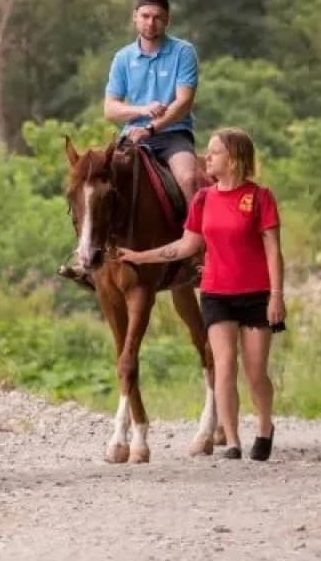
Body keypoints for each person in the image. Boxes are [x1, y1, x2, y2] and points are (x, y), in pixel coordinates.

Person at [117, 128, 284, 460]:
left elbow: (273, 252)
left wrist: (277, 295)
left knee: (255, 372)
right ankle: (234, 441)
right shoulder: (204, 199)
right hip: (216, 294)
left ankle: (264, 427)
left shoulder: (260, 198)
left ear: (234, 159)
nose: (207, 158)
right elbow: (187, 245)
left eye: (215, 152)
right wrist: (140, 256)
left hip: (255, 295)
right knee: (223, 366)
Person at [61, 0, 202, 289]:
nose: (151, 23)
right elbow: (110, 108)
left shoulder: (183, 52)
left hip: (173, 135)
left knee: (189, 178)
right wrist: (140, 111)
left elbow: (183, 103)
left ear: (168, 21)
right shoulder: (123, 58)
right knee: (94, 187)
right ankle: (90, 258)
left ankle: (197, 252)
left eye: (158, 18)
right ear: (135, 18)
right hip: (132, 139)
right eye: (146, 16)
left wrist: (153, 126)